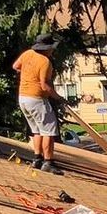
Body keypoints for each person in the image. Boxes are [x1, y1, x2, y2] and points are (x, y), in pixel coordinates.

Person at [10, 34, 65, 173]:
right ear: (47, 48)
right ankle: (48, 162)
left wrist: (27, 74)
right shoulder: (45, 62)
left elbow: (15, 66)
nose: (53, 50)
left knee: (37, 130)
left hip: (23, 98)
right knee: (49, 131)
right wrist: (58, 98)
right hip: (37, 99)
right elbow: (44, 85)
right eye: (52, 48)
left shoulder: (27, 54)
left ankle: (37, 159)